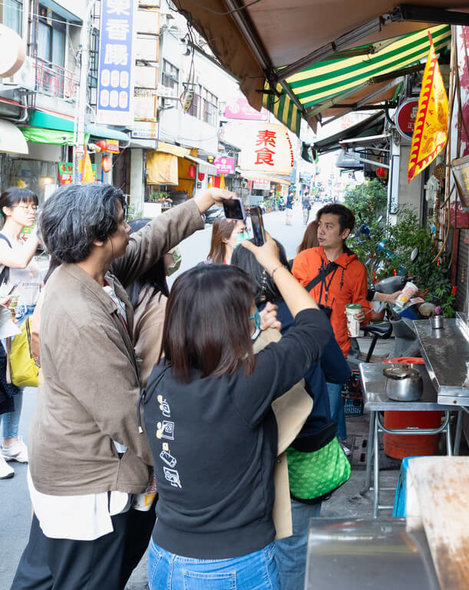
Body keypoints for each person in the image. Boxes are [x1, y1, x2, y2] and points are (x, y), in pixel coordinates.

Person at [11, 184, 234, 590]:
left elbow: (149, 240)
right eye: (119, 222)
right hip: (88, 482)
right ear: (97, 238)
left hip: (65, 466)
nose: (128, 227)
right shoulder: (82, 316)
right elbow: (126, 415)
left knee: (42, 574)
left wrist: (201, 203)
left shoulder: (91, 272)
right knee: (87, 578)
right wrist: (179, 462)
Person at [142, 239, 330, 590]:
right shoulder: (245, 383)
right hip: (230, 567)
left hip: (166, 554)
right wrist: (273, 264)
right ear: (230, 323)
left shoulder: (161, 376)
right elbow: (315, 327)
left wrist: (257, 331)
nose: (254, 316)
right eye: (249, 311)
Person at [231, 241, 350, 590]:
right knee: (294, 548)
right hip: (301, 454)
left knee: (253, 549)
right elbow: (339, 373)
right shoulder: (304, 317)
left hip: (247, 461)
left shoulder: (227, 324)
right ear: (280, 266)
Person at [292, 204, 370, 444]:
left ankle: (333, 448)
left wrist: (362, 316)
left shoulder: (356, 270)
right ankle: (311, 448)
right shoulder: (304, 259)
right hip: (301, 343)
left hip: (335, 347)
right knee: (299, 405)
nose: (321, 231)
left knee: (331, 402)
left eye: (329, 226)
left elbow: (362, 305)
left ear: (344, 233)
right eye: (320, 225)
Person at [0, 187, 42, 478]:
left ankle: (11, 442)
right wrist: (41, 233)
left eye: (34, 207)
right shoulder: (4, 243)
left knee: (17, 381)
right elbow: (19, 262)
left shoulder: (23, 240)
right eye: (25, 207)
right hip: (3, 320)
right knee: (2, 384)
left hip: (23, 319)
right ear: (7, 210)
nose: (31, 211)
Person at [126, 218, 180, 386]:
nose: (174, 250)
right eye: (169, 244)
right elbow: (153, 378)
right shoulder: (159, 309)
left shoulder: (122, 291)